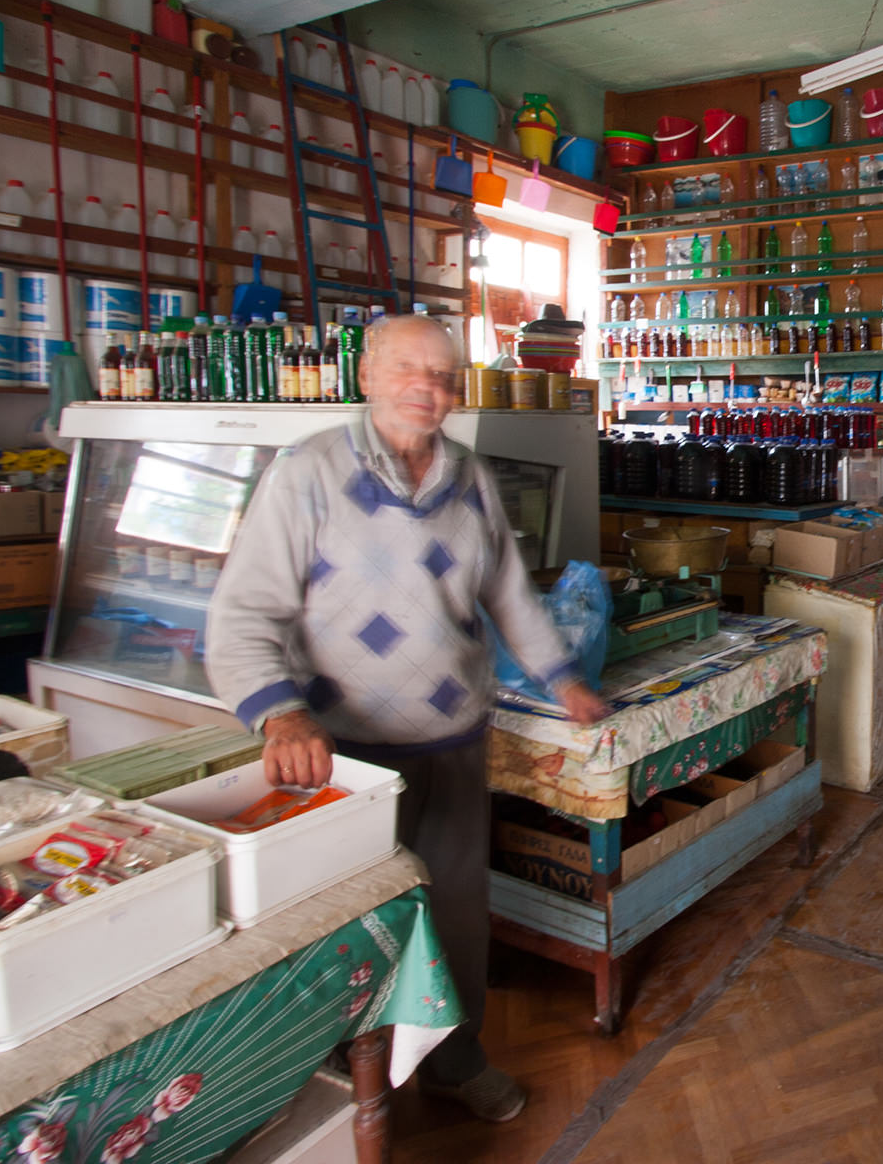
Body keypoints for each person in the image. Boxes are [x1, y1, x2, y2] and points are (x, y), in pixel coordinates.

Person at [207, 313, 606, 1123]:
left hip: (455, 742)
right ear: (365, 376)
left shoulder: (469, 476)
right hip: (344, 758)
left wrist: (559, 676)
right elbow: (242, 613)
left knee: (457, 916)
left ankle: (455, 1060)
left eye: (446, 376)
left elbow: (507, 593)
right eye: (409, 371)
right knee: (343, 927)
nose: (430, 390)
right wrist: (279, 713)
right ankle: (330, 1080)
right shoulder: (307, 472)